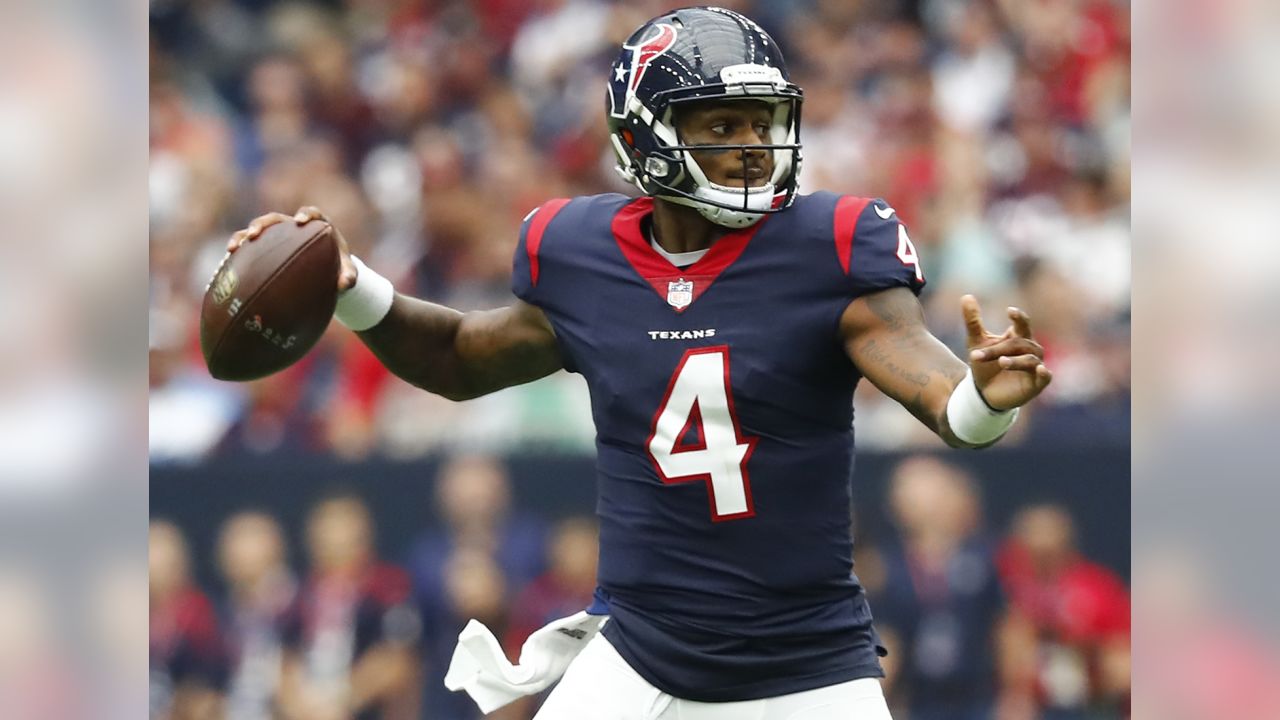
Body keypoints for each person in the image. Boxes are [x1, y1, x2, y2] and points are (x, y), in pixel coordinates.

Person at [228, 7, 1051, 718]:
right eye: (720, 126)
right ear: (640, 141)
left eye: (760, 121)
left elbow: (946, 401)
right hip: (641, 653)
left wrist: (985, 400)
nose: (752, 148)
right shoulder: (581, 253)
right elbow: (457, 357)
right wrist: (351, 286)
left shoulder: (831, 246)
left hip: (807, 662)